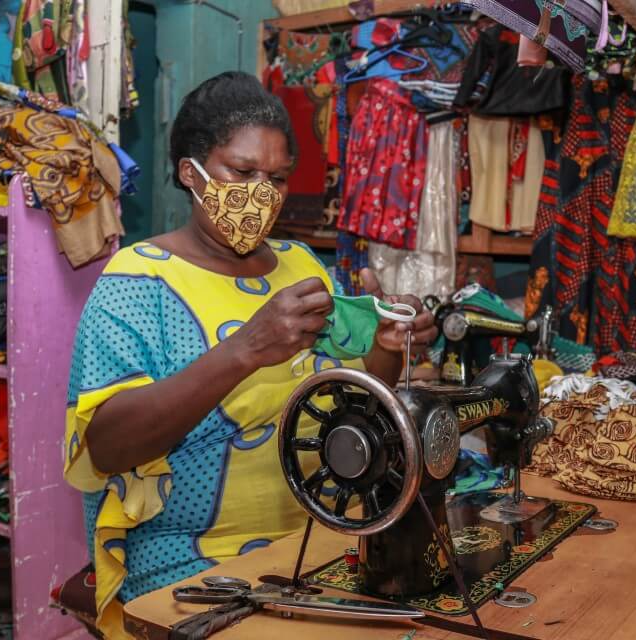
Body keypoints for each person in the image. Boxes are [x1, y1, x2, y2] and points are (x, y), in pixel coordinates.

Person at [62, 71, 437, 638]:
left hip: (319, 542)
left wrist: (387, 351)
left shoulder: (302, 263)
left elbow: (351, 397)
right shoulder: (137, 280)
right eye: (242, 172)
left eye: (278, 178)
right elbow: (109, 446)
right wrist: (246, 349)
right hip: (192, 568)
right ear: (191, 173)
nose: (262, 193)